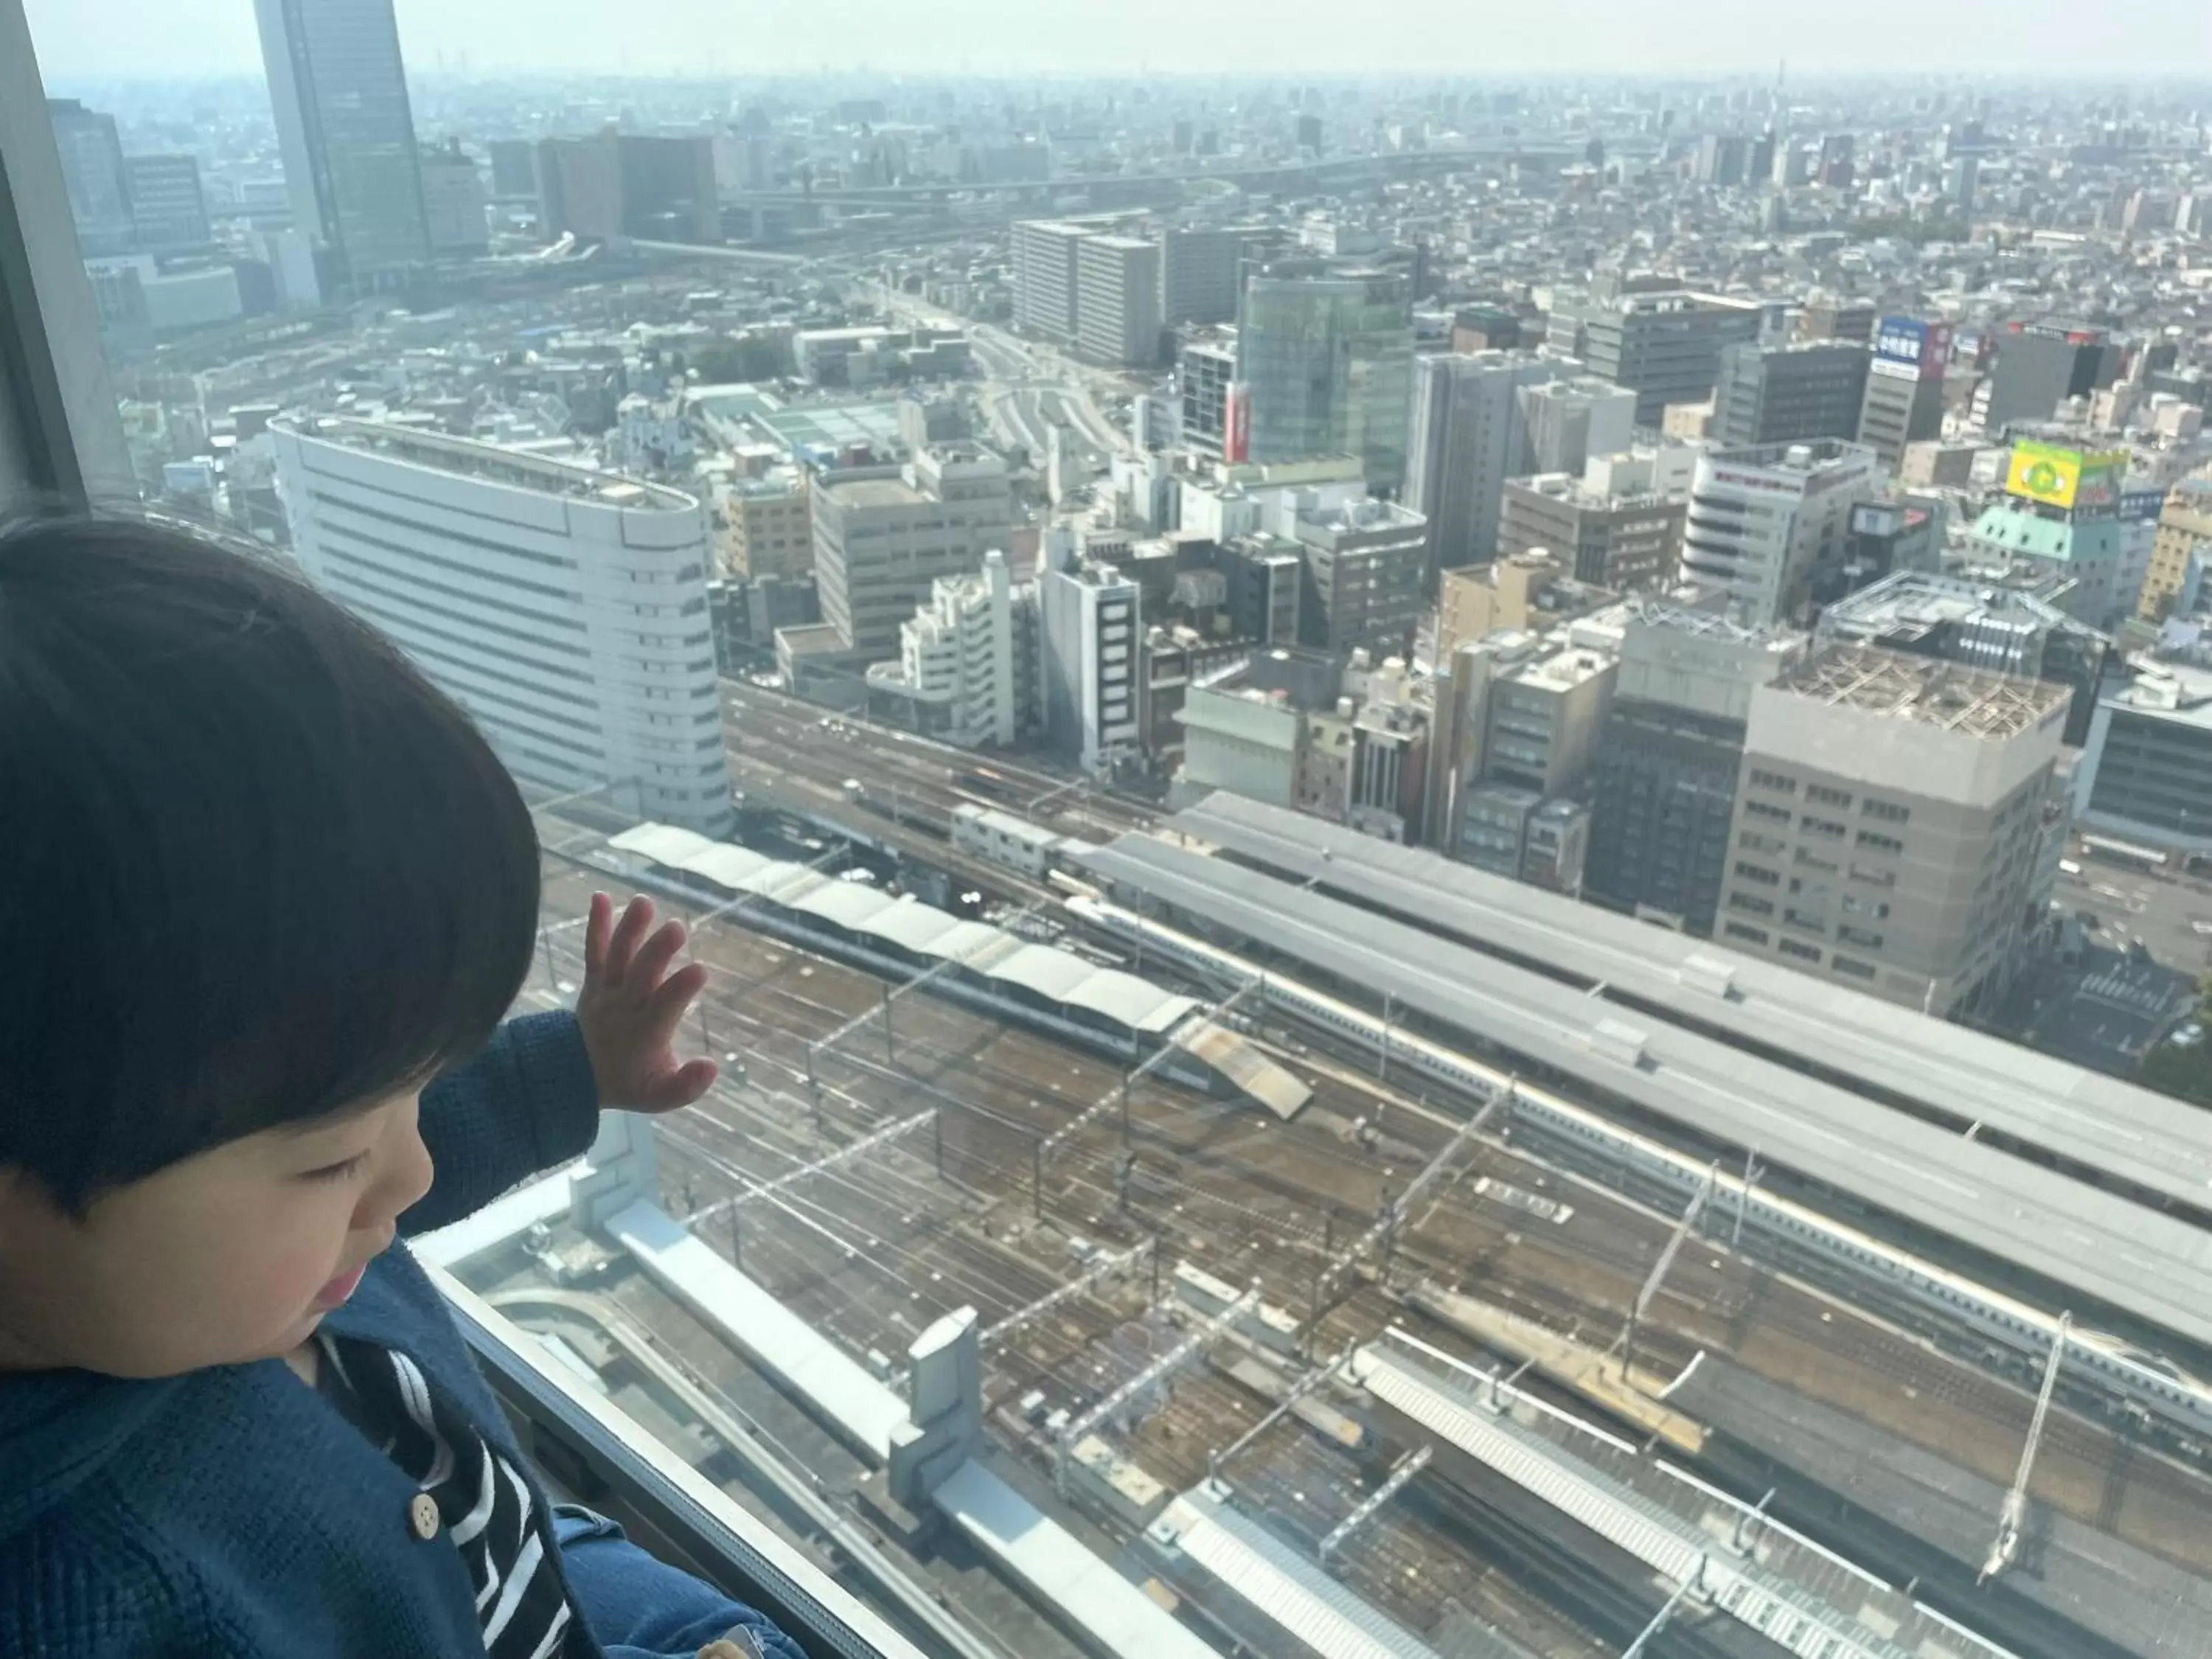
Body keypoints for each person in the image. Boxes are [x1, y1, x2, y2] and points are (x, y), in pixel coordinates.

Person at [0, 515, 801, 1659]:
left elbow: (398, 1162)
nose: (409, 1172)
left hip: (509, 1546)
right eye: (333, 1155)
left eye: (413, 1093)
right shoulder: (76, 1600)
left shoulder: (194, 1250)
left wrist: (568, 1067)